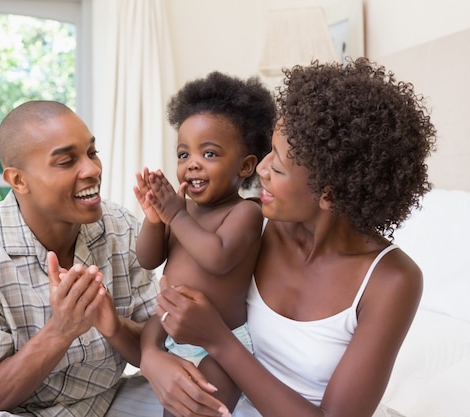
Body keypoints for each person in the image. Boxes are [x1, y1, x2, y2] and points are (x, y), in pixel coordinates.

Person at [140, 58, 437, 417]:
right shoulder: (258, 225)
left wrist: (218, 341)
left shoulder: (391, 280)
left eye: (277, 166)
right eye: (268, 153)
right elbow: (182, 288)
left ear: (328, 192)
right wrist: (151, 355)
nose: (260, 169)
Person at [0, 100, 161, 417]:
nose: (93, 169)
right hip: (23, 413)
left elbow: (156, 346)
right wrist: (61, 330)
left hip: (108, 401)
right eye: (67, 161)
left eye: (92, 153)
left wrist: (114, 327)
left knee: (206, 395)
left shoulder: (120, 228)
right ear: (18, 180)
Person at [133, 71, 276, 416]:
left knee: (200, 405)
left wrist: (175, 216)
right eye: (184, 155)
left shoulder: (245, 212)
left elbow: (217, 258)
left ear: (245, 166)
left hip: (221, 346)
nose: (192, 163)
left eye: (209, 154)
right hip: (173, 334)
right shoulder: (182, 212)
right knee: (175, 400)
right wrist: (156, 219)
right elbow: (147, 259)